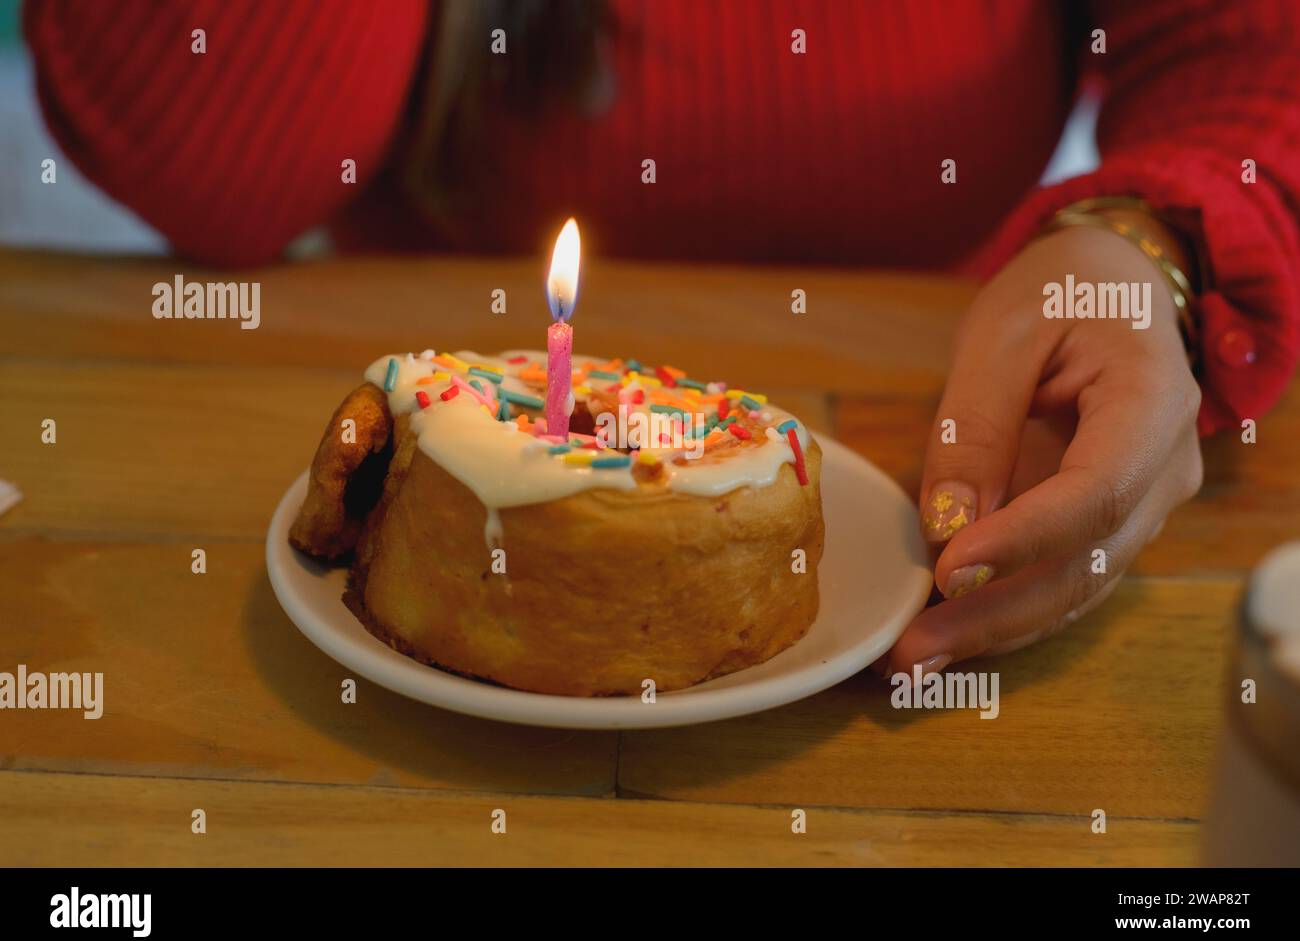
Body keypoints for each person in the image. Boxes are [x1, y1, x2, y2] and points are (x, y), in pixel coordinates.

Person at [25, 0, 1300, 674]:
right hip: (408, 408)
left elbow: (1249, 48)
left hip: (950, 404)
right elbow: (221, 158)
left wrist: (1145, 242)